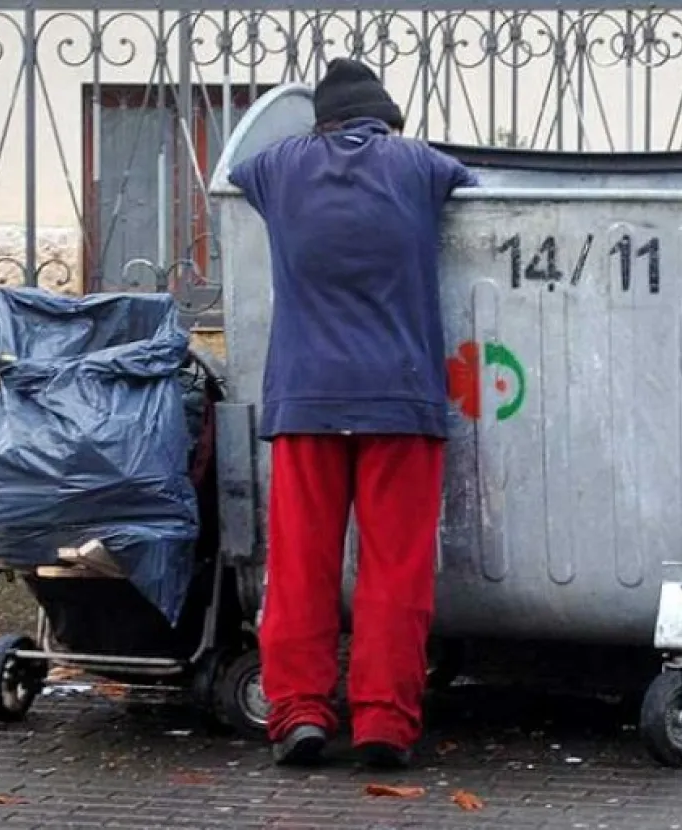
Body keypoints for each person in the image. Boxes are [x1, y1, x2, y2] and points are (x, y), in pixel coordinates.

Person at [227, 58, 478, 769]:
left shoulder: (278, 168)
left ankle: (299, 713)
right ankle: (383, 724)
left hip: (306, 400)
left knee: (300, 566)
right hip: (400, 401)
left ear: (323, 122)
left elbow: (234, 173)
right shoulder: (419, 165)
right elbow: (478, 190)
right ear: (388, 121)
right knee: (394, 570)